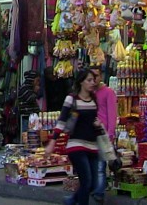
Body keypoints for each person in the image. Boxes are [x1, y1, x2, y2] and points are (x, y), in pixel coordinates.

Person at [45, 68, 103, 205]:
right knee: (86, 181)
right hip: (76, 145)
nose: (92, 83)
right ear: (81, 82)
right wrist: (53, 141)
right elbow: (62, 120)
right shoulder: (71, 99)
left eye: (93, 80)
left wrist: (98, 123)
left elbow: (94, 119)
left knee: (94, 184)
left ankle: (71, 200)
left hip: (93, 145)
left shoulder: (94, 99)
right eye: (89, 80)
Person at [90, 65, 118, 204]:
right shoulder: (88, 93)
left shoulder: (108, 92)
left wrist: (111, 134)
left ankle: (99, 192)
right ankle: (95, 188)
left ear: (101, 76)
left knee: (100, 166)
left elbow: (112, 114)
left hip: (102, 133)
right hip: (89, 134)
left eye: (96, 76)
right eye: (91, 77)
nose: (93, 80)